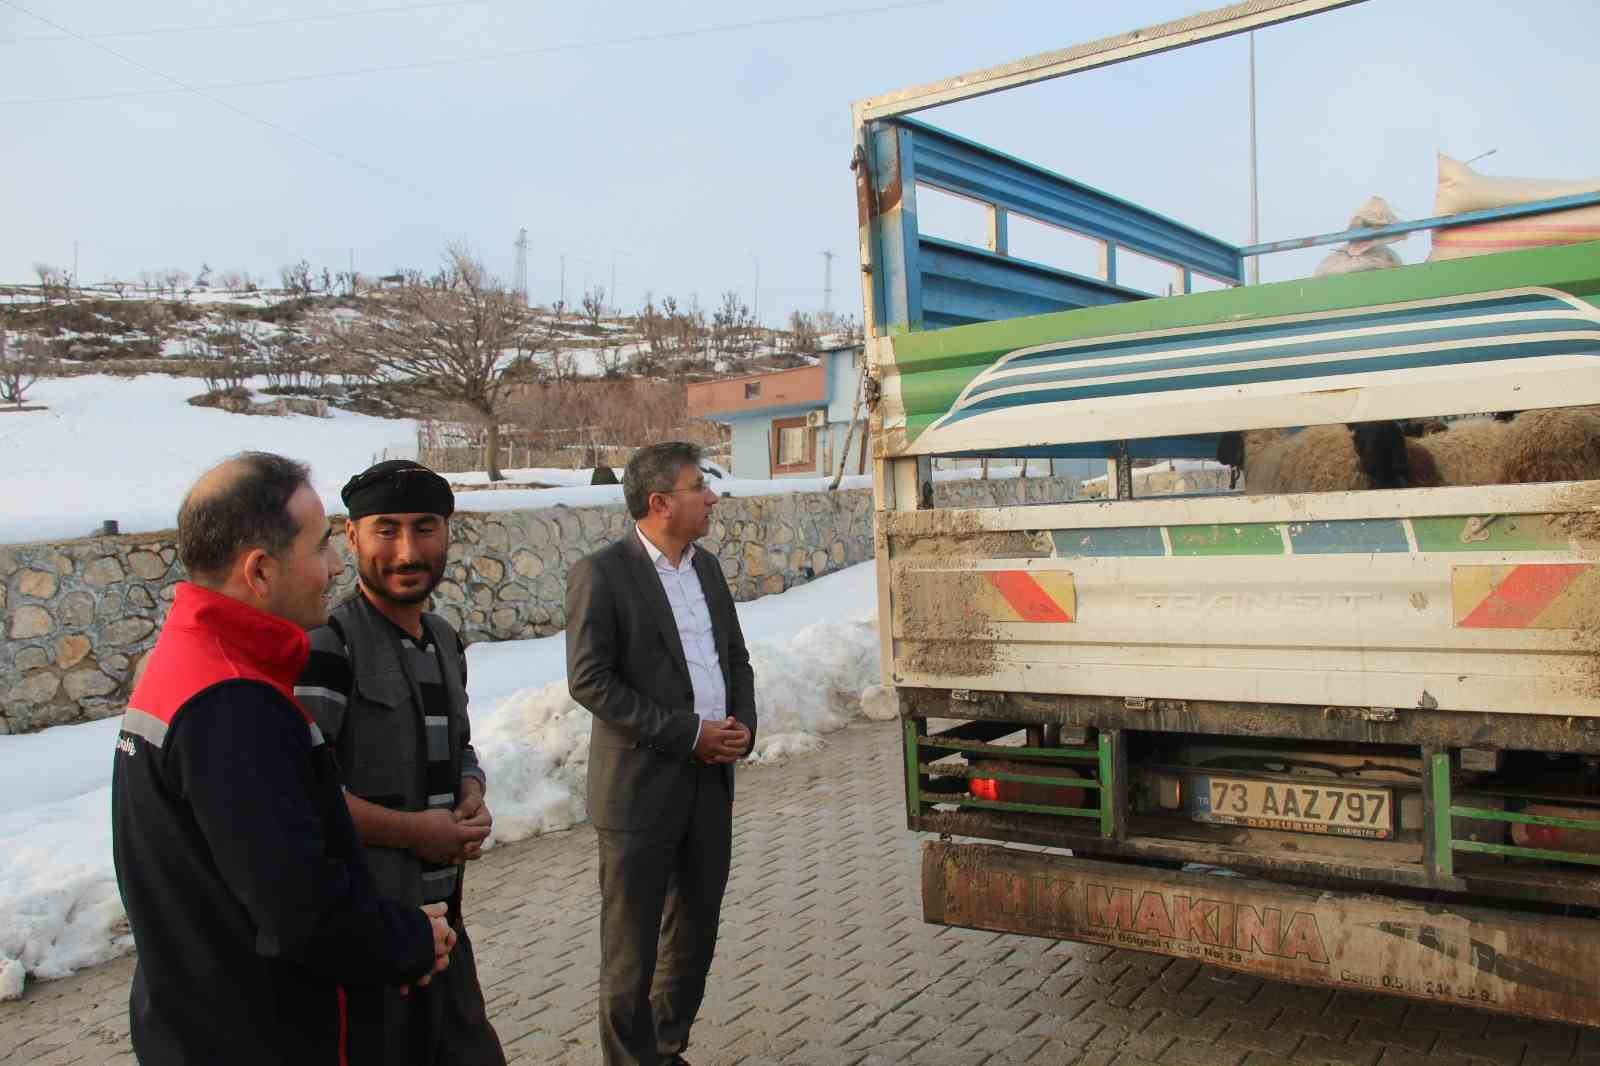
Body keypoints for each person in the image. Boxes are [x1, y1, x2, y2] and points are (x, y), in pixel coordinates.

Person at [111, 452, 454, 1066]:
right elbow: (300, 911)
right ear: (260, 571)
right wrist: (409, 940)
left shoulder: (192, 659)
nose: (333, 564)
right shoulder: (232, 704)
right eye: (321, 546)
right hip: (260, 1031)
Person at [296, 459, 506, 1066]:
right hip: (370, 940)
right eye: (386, 530)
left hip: (444, 929)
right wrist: (416, 831)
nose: (408, 552)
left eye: (426, 528)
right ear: (351, 537)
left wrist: (470, 788)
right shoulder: (326, 648)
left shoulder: (443, 639)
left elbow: (457, 743)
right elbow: (306, 797)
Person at [565, 441, 758, 1066]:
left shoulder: (706, 569)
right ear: (659, 502)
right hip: (639, 791)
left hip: (709, 784)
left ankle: (666, 1050)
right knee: (631, 949)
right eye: (699, 485)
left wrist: (740, 726)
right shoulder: (604, 573)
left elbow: (735, 659)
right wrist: (686, 733)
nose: (712, 497)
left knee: (694, 936)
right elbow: (590, 681)